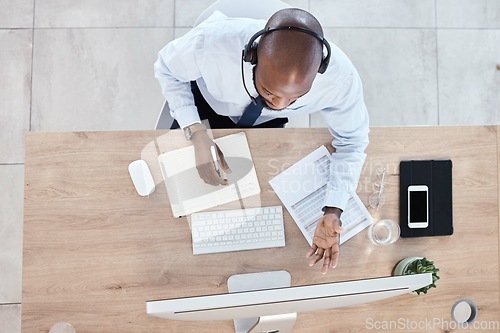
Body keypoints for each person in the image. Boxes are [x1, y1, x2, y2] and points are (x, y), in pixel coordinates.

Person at [154, 8, 369, 274]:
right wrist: (196, 132)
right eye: (269, 92)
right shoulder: (211, 43)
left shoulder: (341, 79)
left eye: (295, 99)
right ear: (251, 56)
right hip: (206, 108)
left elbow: (353, 142)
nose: (279, 105)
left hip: (264, 127)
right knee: (169, 209)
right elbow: (166, 68)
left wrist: (334, 208)